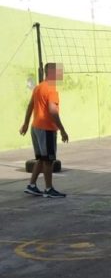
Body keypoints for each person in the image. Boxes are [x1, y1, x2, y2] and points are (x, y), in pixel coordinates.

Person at [19, 63, 69, 198]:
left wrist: (26, 123)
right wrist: (62, 130)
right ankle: (48, 189)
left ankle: (32, 185)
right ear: (52, 73)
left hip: (35, 128)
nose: (61, 74)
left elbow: (30, 106)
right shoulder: (51, 89)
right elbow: (53, 111)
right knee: (48, 161)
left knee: (41, 159)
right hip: (46, 129)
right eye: (59, 72)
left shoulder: (38, 87)